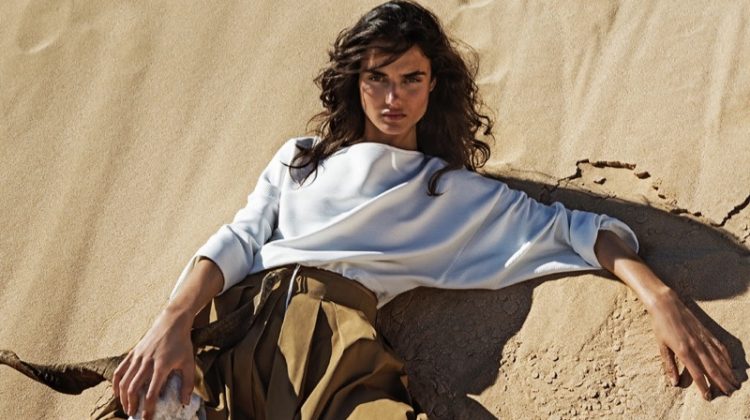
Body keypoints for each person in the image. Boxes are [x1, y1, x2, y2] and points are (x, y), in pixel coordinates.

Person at [109, 1, 739, 419]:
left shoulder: (452, 192)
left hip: (329, 343)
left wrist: (661, 299)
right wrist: (171, 321)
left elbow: (580, 231)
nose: (392, 97)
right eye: (377, 78)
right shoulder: (300, 158)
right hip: (226, 325)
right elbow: (240, 239)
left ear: (433, 83)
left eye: (410, 78)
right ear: (354, 83)